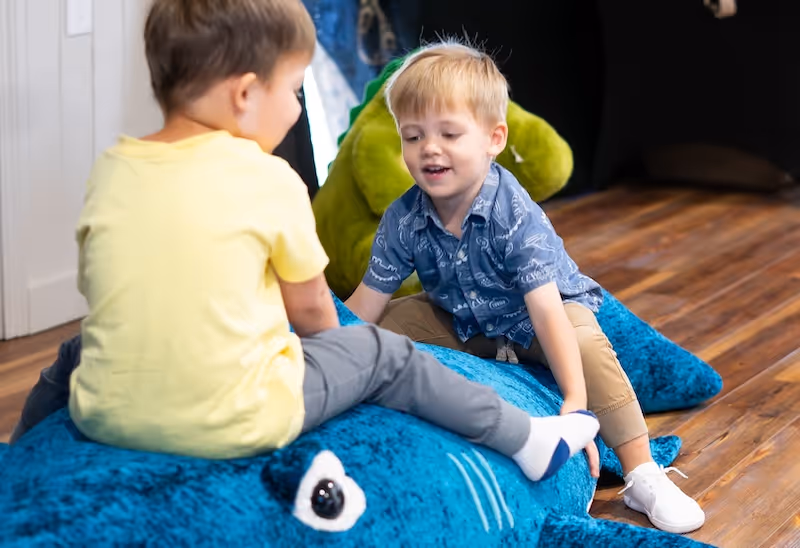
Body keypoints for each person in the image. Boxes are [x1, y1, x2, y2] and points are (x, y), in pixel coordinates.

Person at [9, 0, 600, 486]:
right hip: (237, 419)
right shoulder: (267, 177)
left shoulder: (110, 169)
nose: (296, 108)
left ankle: (17, 454)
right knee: (379, 352)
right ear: (245, 95)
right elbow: (316, 315)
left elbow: (108, 288)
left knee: (78, 349)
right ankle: (528, 440)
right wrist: (350, 358)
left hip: (106, 413)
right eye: (294, 90)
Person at [344, 41, 705, 534]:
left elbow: (546, 310)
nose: (429, 148)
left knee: (582, 338)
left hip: (535, 317)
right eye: (412, 136)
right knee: (384, 325)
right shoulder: (403, 218)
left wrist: (575, 404)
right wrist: (324, 345)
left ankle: (643, 472)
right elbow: (366, 303)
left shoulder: (511, 212)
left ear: (494, 139)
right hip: (463, 319)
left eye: (449, 133)